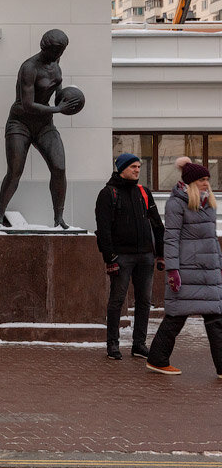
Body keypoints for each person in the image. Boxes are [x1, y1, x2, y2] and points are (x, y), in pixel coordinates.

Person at [0, 29, 81, 228]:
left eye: (63, 51)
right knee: (15, 171)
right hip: (20, 122)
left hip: (44, 124)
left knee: (59, 167)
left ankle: (59, 218)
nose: (60, 54)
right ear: (46, 48)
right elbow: (28, 105)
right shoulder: (29, 68)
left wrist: (66, 98)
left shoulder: (56, 63)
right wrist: (58, 108)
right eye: (58, 50)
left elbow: (57, 89)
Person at [145, 157, 222, 377]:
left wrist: (219, 264)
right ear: (190, 183)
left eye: (207, 179)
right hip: (188, 271)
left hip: (208, 272)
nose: (206, 183)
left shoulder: (208, 204)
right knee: (176, 317)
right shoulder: (177, 202)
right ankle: (157, 359)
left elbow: (211, 239)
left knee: (216, 318)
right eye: (201, 180)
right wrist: (173, 270)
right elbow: (171, 238)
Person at [95, 152, 165, 360]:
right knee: (117, 301)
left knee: (144, 301)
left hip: (145, 256)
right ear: (122, 168)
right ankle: (113, 345)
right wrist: (110, 258)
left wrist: (160, 254)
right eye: (133, 167)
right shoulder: (108, 193)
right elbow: (104, 229)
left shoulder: (143, 192)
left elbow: (157, 224)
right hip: (121, 257)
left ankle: (139, 345)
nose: (137, 170)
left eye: (139, 167)